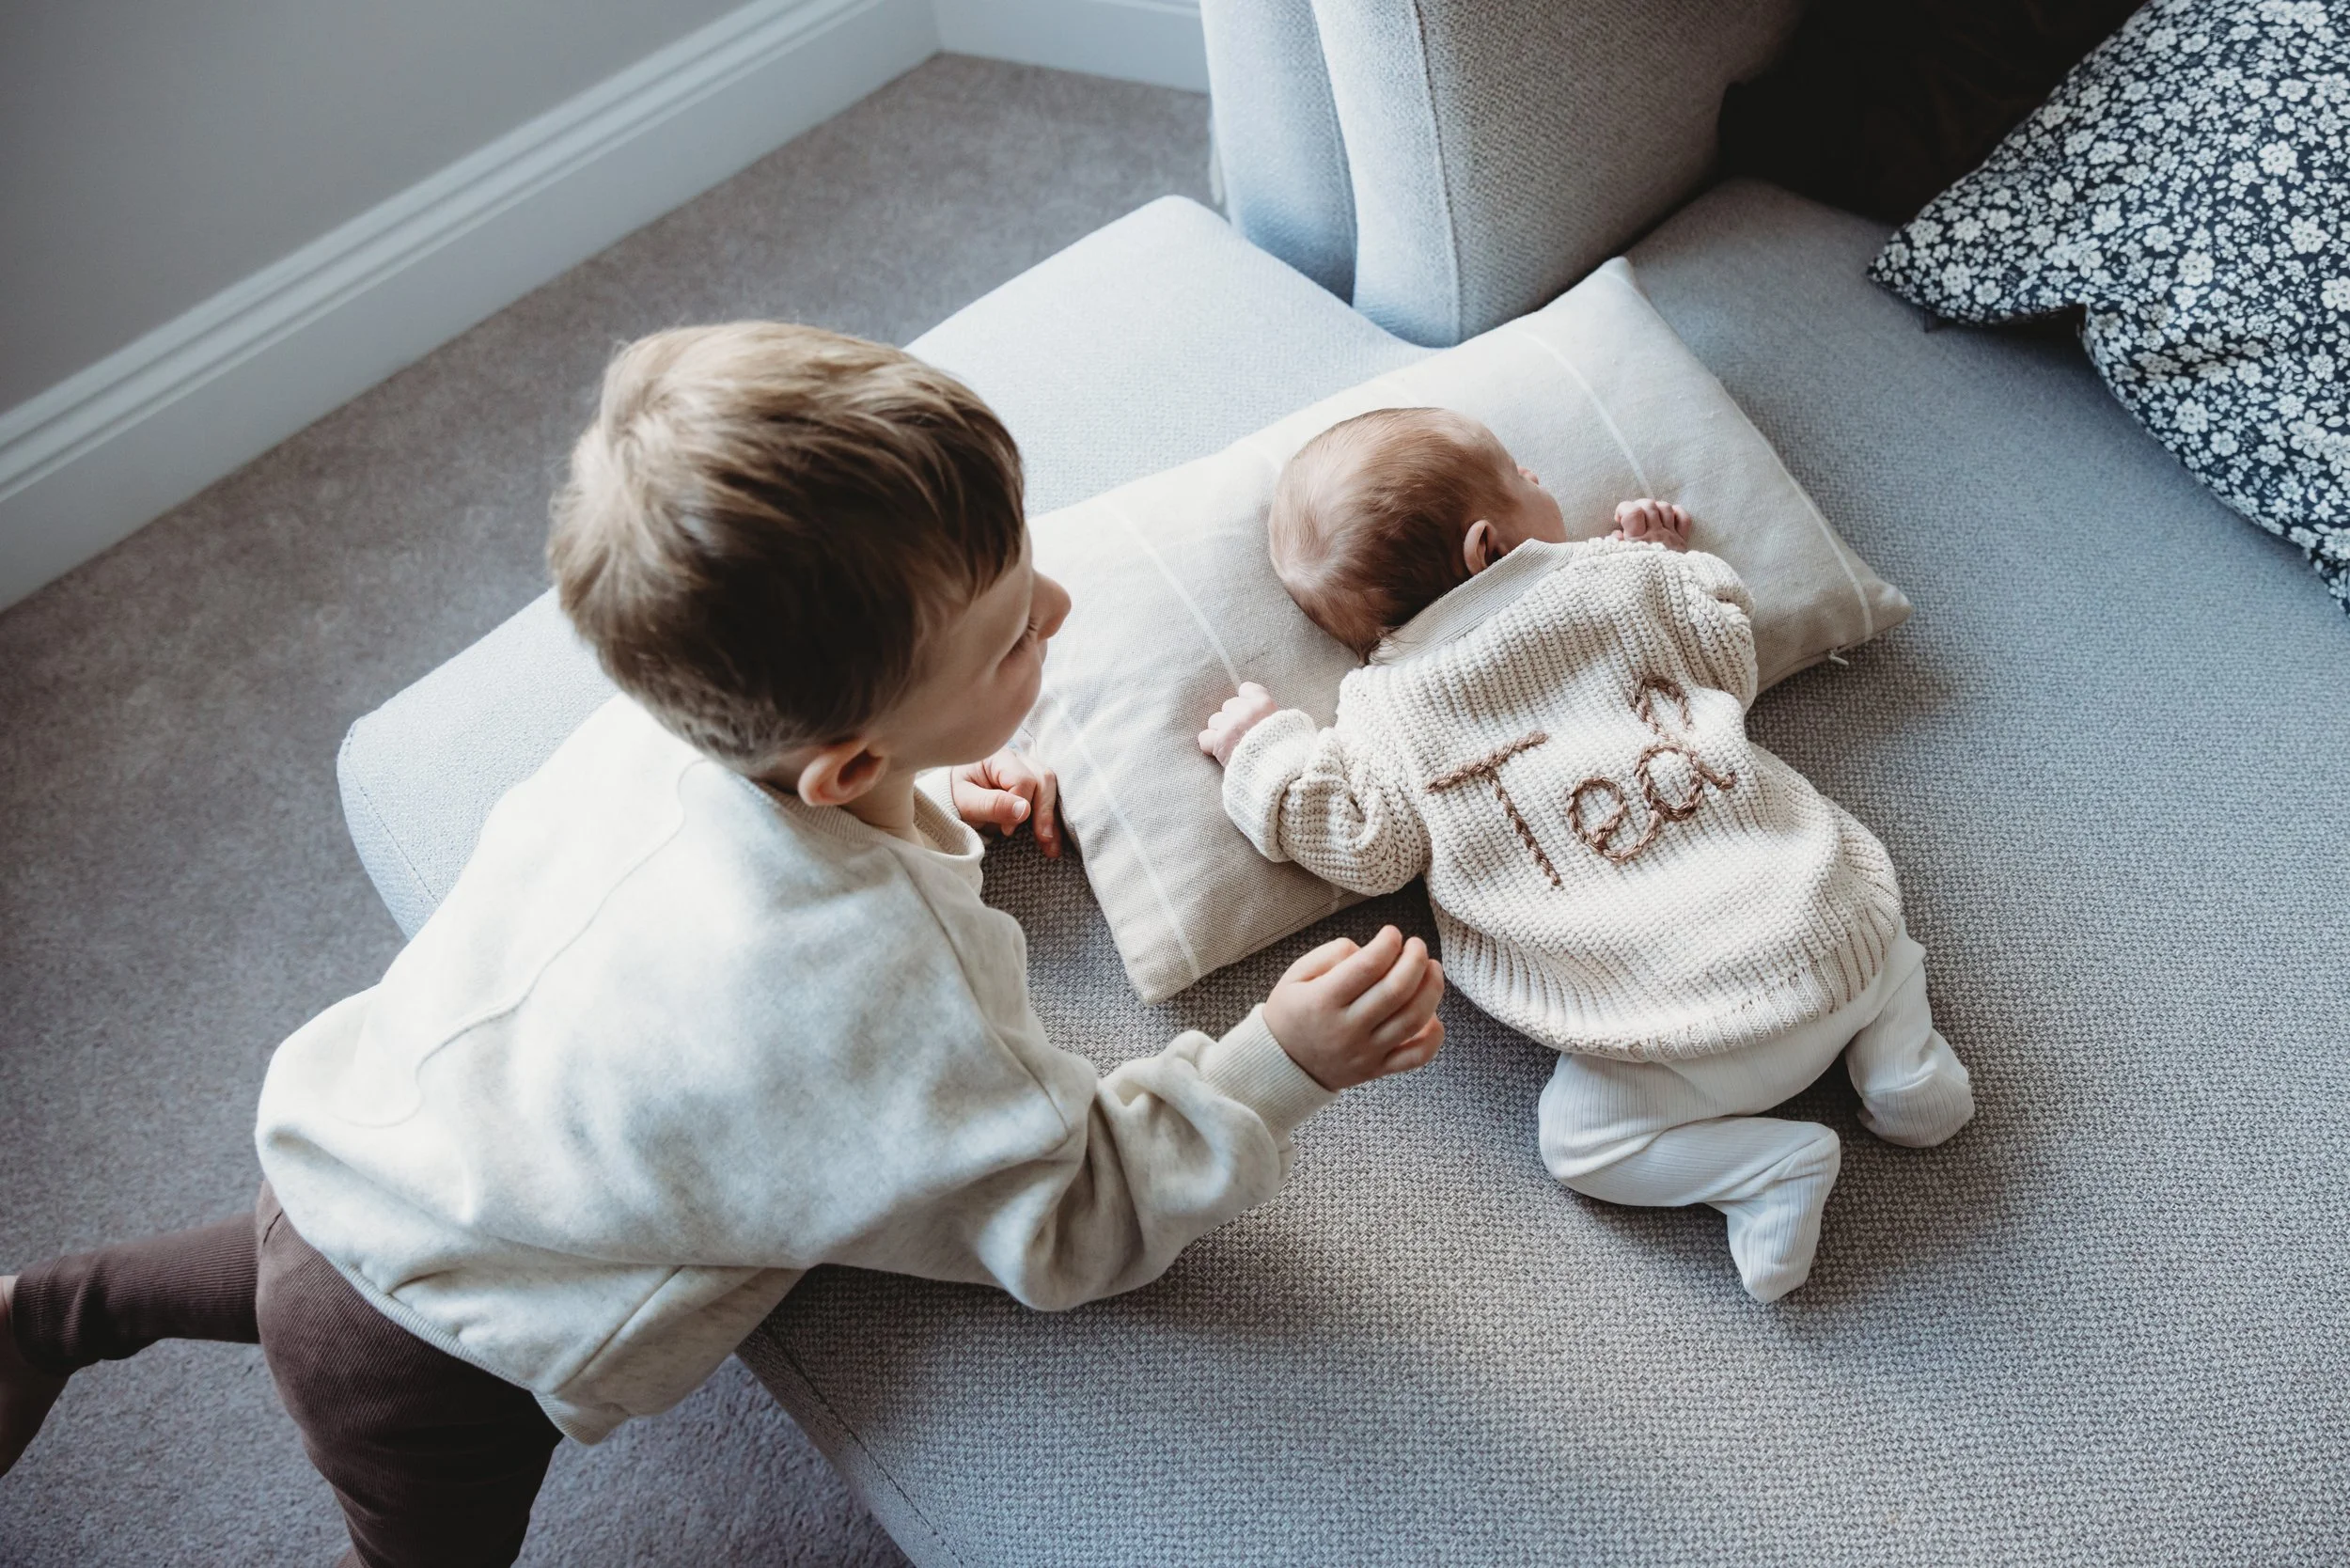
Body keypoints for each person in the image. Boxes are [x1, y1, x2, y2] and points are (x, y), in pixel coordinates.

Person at [0, 324, 1448, 1565]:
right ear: (836, 767)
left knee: (274, 1273)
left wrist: (926, 784)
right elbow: (1072, 1213)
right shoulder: (885, 985)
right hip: (445, 1362)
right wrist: (1274, 1066)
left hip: (344, 1148)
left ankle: (46, 1313)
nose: (1061, 612)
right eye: (1012, 639)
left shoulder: (659, 729)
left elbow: (761, 841)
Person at [1198, 406, 1972, 1303]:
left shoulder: (1386, 709)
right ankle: (1903, 1061)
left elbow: (1366, 844)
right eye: (1525, 476)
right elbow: (1725, 656)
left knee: (1581, 1145)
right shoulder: (1613, 579)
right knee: (1871, 917)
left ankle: (1765, 1167)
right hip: (1825, 936)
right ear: (1487, 546)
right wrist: (1668, 567)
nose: (1542, 477)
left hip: (1675, 1038)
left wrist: (1265, 753)